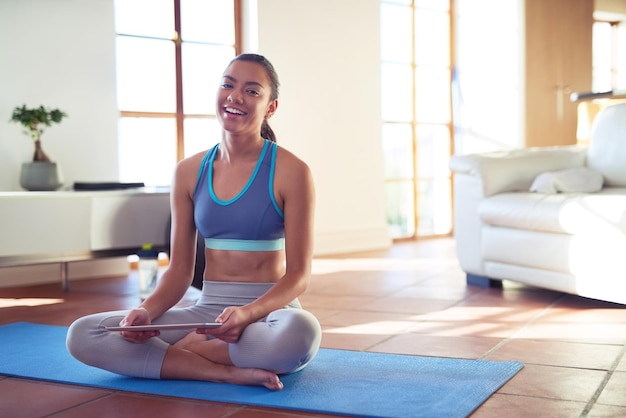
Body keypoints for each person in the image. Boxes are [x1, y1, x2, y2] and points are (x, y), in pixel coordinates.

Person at [66, 53, 322, 391]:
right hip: (206, 313)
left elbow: (298, 276)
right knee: (84, 334)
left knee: (300, 334)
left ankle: (181, 355)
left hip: (269, 315)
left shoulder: (292, 172)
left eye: (251, 91)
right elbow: (180, 271)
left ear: (270, 107)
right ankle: (224, 370)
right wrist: (146, 311)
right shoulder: (188, 171)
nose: (235, 96)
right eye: (228, 85)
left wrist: (246, 315)